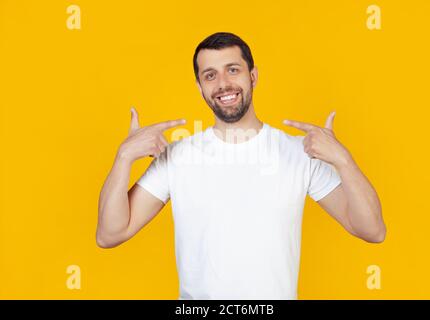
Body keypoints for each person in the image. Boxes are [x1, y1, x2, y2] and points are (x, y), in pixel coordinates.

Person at [96, 32, 386, 300]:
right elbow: (110, 234)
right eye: (210, 75)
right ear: (200, 87)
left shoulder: (298, 153)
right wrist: (123, 157)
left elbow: (372, 230)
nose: (223, 83)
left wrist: (343, 161)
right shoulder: (178, 157)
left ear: (253, 76)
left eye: (232, 69)